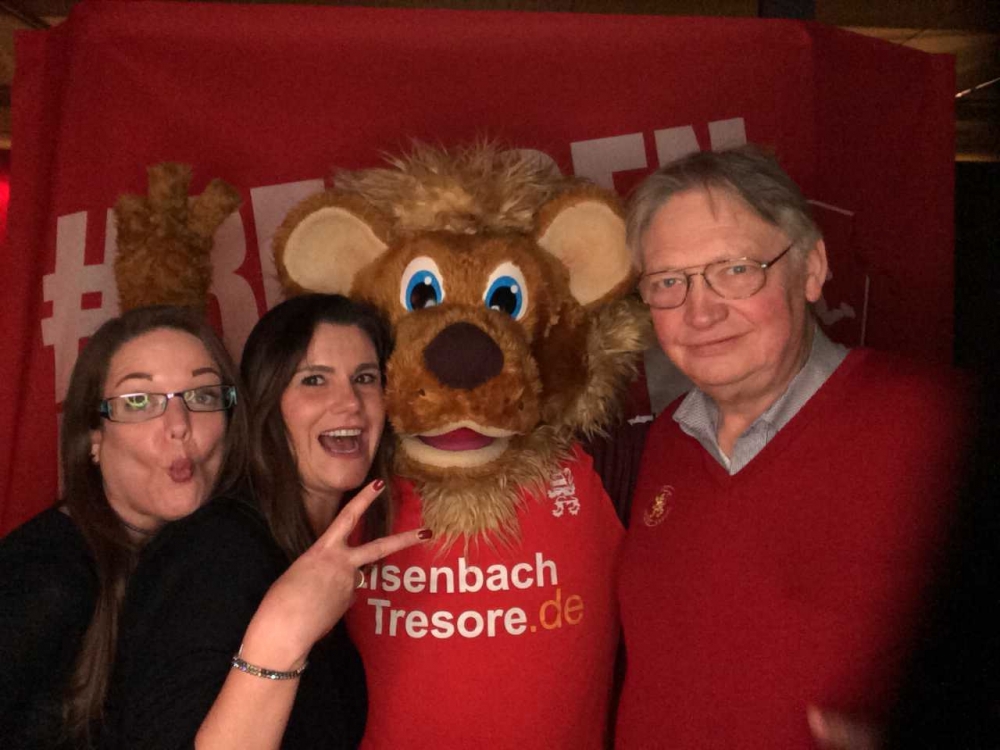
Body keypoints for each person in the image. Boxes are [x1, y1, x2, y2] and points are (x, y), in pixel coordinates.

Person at [615, 145, 973, 748]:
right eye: (669, 281)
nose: (700, 312)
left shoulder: (938, 421)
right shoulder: (667, 438)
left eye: (735, 269)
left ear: (810, 269)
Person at [101, 293, 429, 750]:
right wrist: (283, 631)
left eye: (365, 378)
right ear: (267, 403)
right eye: (314, 380)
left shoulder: (320, 547)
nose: (350, 403)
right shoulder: (213, 553)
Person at [0, 305, 247, 749]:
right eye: (139, 401)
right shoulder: (44, 579)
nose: (179, 426)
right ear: (93, 438)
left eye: (202, 395)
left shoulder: (213, 560)